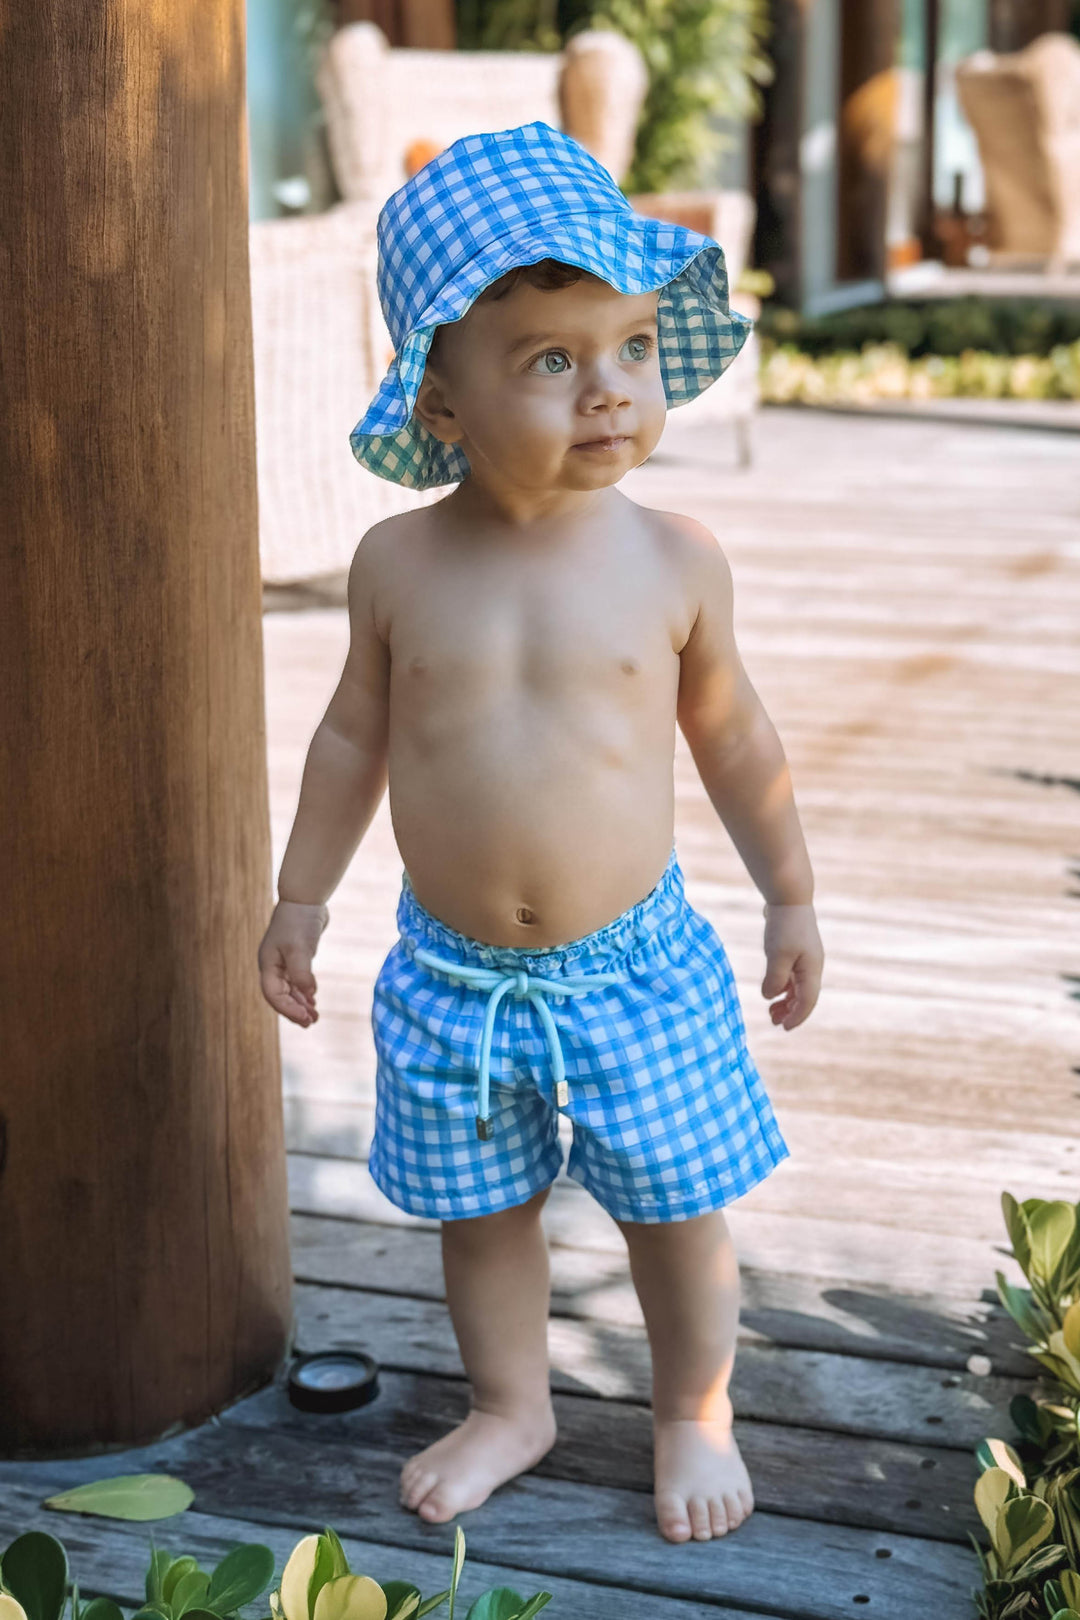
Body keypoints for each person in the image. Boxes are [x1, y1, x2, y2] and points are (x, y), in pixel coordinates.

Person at [258, 122, 823, 1545]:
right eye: (551, 362)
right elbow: (349, 742)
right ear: (438, 400)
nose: (610, 392)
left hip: (635, 964)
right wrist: (302, 897)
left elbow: (738, 739)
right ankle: (514, 1400)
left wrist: (792, 898)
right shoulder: (397, 565)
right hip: (451, 973)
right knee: (482, 1213)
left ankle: (694, 1406)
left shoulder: (674, 560)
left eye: (631, 348)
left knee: (675, 1204)